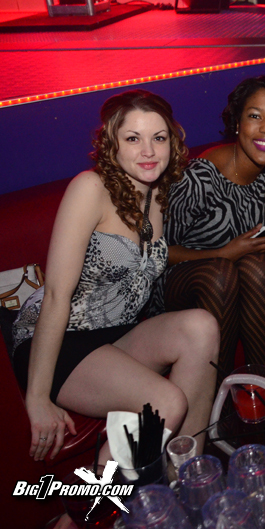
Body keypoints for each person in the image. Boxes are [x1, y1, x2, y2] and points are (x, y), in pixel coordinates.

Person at [11, 90, 219, 464]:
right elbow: (57, 295)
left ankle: (187, 478)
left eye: (159, 138)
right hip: (61, 340)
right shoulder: (89, 189)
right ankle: (92, 499)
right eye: (133, 138)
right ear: (112, 144)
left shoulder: (158, 193)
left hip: (115, 335)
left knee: (201, 327)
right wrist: (37, 397)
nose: (148, 151)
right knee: (166, 402)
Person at [150, 75, 265, 383]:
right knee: (221, 273)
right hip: (183, 288)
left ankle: (260, 392)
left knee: (258, 267)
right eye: (255, 116)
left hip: (244, 286)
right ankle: (213, 396)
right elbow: (158, 253)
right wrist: (223, 253)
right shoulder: (199, 179)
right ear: (237, 123)